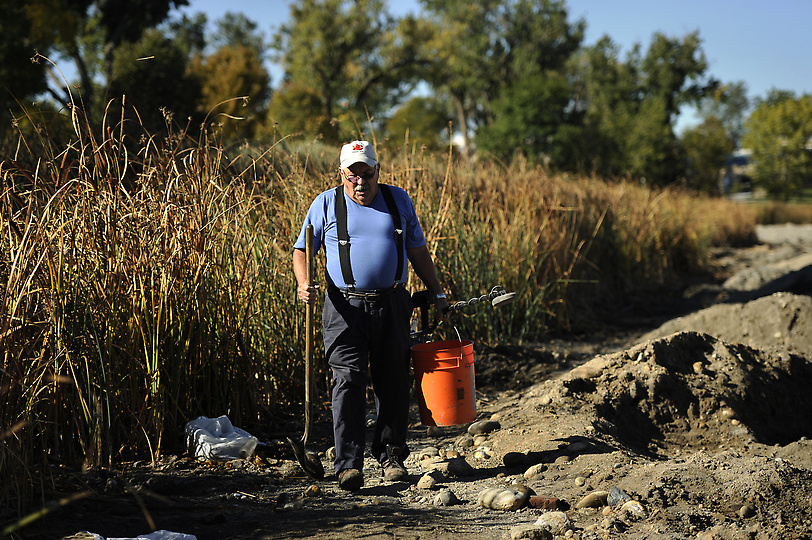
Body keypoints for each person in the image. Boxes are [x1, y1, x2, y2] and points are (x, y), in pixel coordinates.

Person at [293, 140, 449, 491]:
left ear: (378, 171)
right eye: (353, 175)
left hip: (393, 303)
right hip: (343, 307)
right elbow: (302, 249)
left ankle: (391, 455)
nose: (360, 182)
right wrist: (303, 283)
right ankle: (348, 465)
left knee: (393, 378)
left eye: (367, 173)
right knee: (347, 380)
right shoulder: (325, 204)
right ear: (341, 174)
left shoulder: (398, 200)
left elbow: (417, 250)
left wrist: (437, 293)